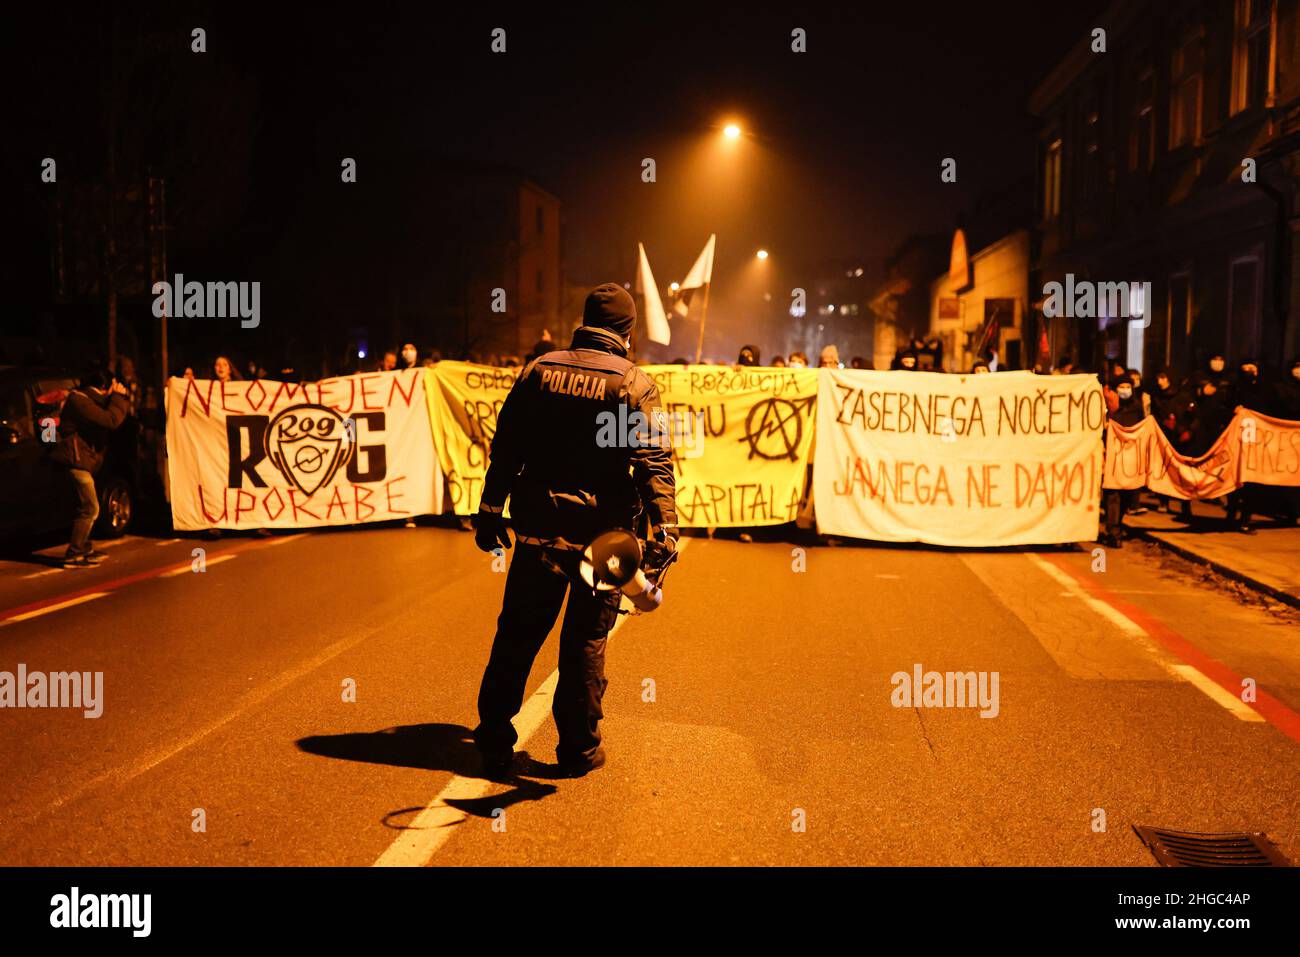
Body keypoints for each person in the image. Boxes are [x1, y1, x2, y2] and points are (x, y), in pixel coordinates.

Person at [470, 283, 678, 779]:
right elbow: (652, 463)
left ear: (584, 319)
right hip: (602, 539)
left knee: (517, 636)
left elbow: (507, 446)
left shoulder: (539, 370)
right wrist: (665, 530)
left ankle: (495, 738)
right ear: (626, 331)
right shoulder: (633, 383)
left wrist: (489, 508)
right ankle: (579, 750)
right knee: (585, 641)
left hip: (539, 528)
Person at [51, 364, 131, 568]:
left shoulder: (88, 399)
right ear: (104, 386)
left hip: (83, 459)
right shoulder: (79, 401)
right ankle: (74, 553)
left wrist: (115, 398)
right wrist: (119, 398)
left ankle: (84, 548)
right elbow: (111, 420)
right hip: (75, 459)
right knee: (91, 508)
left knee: (86, 506)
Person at [1101, 373, 1146, 546]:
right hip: (1113, 458)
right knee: (1113, 495)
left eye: (1128, 387)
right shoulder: (1110, 409)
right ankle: (1114, 533)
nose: (1125, 390)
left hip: (1130, 460)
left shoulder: (1137, 407)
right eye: (1122, 387)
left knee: (1126, 497)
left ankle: (1116, 525)